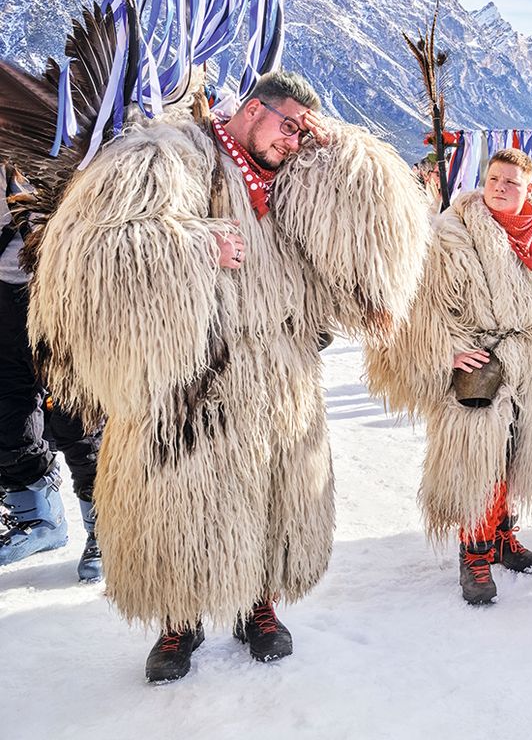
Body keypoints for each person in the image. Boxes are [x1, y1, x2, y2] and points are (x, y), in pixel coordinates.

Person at [27, 71, 430, 682]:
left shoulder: (296, 178)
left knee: (275, 498)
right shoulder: (170, 154)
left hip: (280, 379)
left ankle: (257, 606)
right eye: (287, 125)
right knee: (179, 502)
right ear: (251, 109)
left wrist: (338, 147)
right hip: (191, 386)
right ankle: (178, 620)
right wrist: (193, 248)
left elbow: (374, 232)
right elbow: (88, 249)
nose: (293, 141)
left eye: (302, 131)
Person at [366, 148, 532, 605]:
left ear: (530, 188)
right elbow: (419, 304)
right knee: (480, 457)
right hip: (484, 358)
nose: (499, 187)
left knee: (519, 453)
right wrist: (444, 349)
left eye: (511, 181)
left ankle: (504, 534)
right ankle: (475, 551)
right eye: (493, 178)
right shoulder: (451, 232)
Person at [0, 165, 102, 580]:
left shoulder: (54, 117)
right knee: (7, 408)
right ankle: (38, 518)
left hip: (65, 287)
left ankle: (107, 527)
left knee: (75, 414)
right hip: (4, 290)